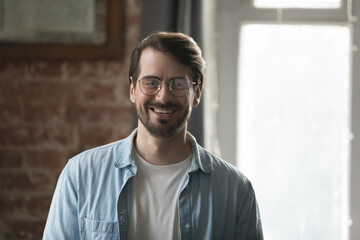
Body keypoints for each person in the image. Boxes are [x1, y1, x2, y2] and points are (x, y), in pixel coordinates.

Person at [43, 31, 263, 240]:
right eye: (151, 83)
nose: (163, 96)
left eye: (178, 84)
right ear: (132, 89)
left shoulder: (236, 189)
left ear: (197, 92)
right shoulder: (80, 175)